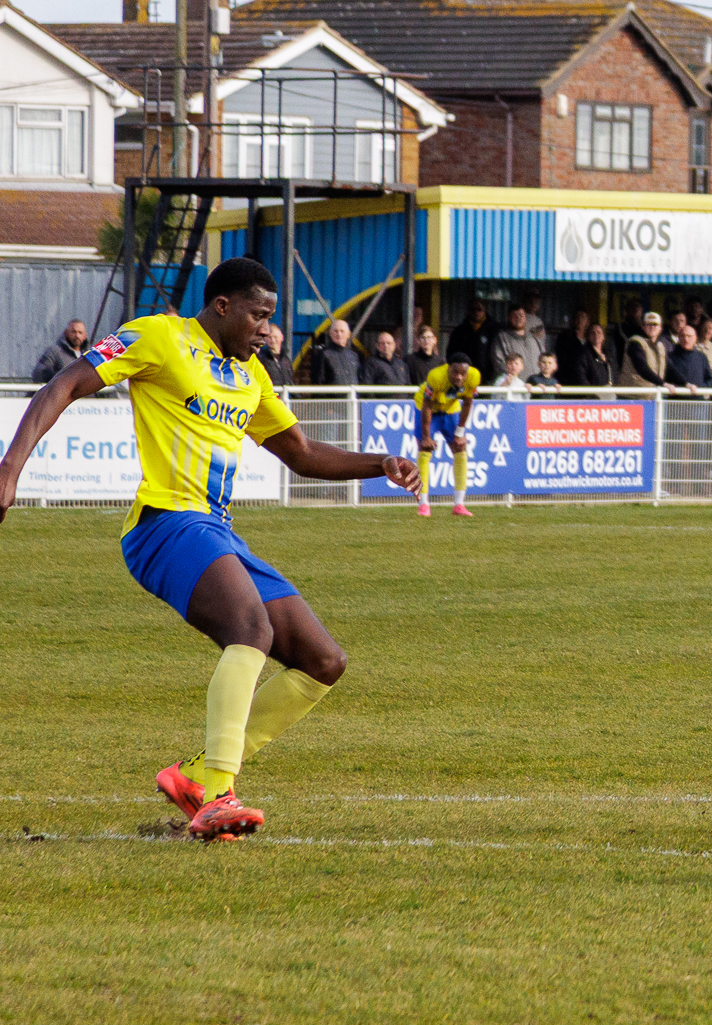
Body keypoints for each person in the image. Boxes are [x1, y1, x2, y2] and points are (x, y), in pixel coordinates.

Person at [0, 256, 419, 841]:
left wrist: (381, 463)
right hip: (164, 524)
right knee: (251, 630)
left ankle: (196, 774)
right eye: (258, 316)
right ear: (222, 306)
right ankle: (218, 795)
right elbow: (65, 383)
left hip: (217, 531)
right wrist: (10, 468)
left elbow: (300, 453)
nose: (267, 330)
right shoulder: (159, 336)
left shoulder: (251, 377)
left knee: (323, 661)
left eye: (271, 318)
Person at [416, 353, 480, 517]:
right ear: (448, 369)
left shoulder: (474, 376)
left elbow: (467, 403)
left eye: (462, 373)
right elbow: (427, 405)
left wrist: (460, 432)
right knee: (424, 451)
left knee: (460, 449)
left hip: (451, 409)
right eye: (455, 372)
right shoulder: (436, 376)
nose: (459, 377)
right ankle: (423, 504)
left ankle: (459, 504)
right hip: (427, 409)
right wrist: (426, 436)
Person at [490, 304, 543, 383]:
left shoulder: (534, 339)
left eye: (521, 315)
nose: (518, 318)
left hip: (536, 386)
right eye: (515, 316)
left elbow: (543, 359)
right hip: (514, 386)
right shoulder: (502, 338)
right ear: (509, 318)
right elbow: (499, 364)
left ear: (525, 317)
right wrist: (513, 381)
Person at [618, 312, 670, 391]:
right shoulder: (635, 342)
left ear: (660, 328)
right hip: (632, 395)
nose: (652, 327)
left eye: (655, 324)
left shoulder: (660, 346)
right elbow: (641, 367)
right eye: (648, 324)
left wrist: (686, 384)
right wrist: (663, 383)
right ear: (643, 326)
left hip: (652, 395)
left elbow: (670, 368)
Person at [31, 319, 88, 384]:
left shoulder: (90, 356)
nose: (77, 335)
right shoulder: (54, 352)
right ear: (66, 333)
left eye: (80, 333)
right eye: (73, 332)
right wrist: (63, 377)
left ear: (85, 336)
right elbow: (39, 374)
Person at [666, 324, 712, 395]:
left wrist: (701, 389)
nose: (686, 339)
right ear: (678, 338)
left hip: (697, 399)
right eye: (683, 336)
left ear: (695, 338)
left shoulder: (701, 357)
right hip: (676, 399)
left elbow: (710, 379)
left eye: (689, 336)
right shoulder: (670, 357)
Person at [447, 300, 494, 370]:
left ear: (485, 310)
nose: (476, 312)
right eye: (473, 309)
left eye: (479, 309)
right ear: (468, 311)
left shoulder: (493, 330)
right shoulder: (459, 331)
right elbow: (451, 353)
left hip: (487, 373)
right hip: (464, 372)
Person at [312, 319, 360, 385]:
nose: (339, 334)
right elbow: (318, 382)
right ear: (330, 334)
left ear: (348, 334)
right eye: (335, 331)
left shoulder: (354, 356)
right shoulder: (323, 355)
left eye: (342, 331)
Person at [554, 309, 592, 386]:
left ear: (587, 321)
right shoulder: (564, 336)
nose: (580, 320)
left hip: (586, 378)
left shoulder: (590, 338)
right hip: (568, 378)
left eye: (583, 317)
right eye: (578, 317)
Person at [258, 324, 295, 388]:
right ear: (266, 339)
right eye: (269, 337)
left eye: (275, 337)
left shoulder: (286, 360)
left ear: (282, 338)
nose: (273, 340)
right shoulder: (260, 358)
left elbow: (290, 381)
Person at [578, 324, 613, 389]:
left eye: (599, 332)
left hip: (610, 392)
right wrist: (592, 392)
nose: (596, 335)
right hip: (594, 393)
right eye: (593, 333)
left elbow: (615, 374)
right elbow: (581, 377)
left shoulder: (609, 356)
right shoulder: (584, 355)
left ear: (603, 337)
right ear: (588, 336)